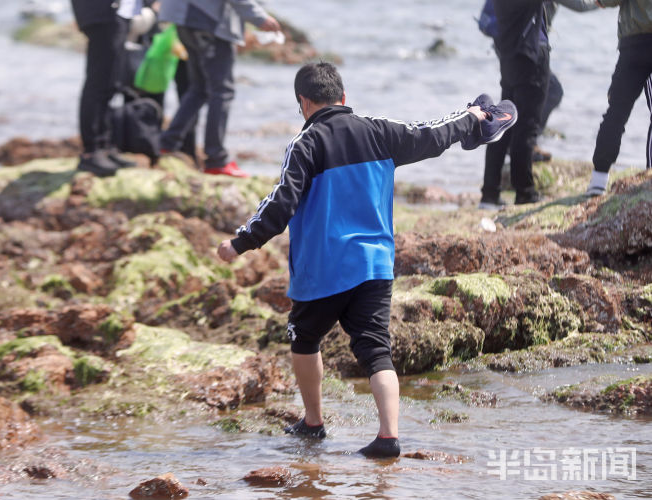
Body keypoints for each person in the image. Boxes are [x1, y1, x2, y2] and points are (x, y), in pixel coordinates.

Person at [216, 62, 516, 458]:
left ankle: (313, 421)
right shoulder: (378, 129)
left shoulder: (304, 144)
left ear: (303, 103)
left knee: (305, 340)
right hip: (375, 265)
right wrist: (473, 118)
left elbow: (280, 204)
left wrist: (240, 243)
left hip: (321, 271)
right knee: (376, 350)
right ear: (344, 98)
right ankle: (389, 436)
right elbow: (432, 135)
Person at [479, 0, 597, 210]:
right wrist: (603, 3)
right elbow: (579, 5)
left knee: (504, 122)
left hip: (508, 54)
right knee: (527, 127)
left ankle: (489, 195)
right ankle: (525, 193)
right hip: (532, 54)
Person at [157, 0, 281, 177]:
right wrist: (259, 18)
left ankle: (167, 143)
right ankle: (216, 158)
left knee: (200, 88)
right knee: (222, 91)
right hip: (206, 19)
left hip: (184, 18)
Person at [586, 0, 652, 196]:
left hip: (633, 44)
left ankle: (599, 179)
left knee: (616, 113)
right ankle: (649, 178)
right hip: (634, 43)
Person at [71, 0, 143, 177]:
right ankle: (91, 151)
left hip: (118, 14)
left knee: (112, 84)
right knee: (98, 84)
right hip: (102, 13)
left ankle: (105, 147)